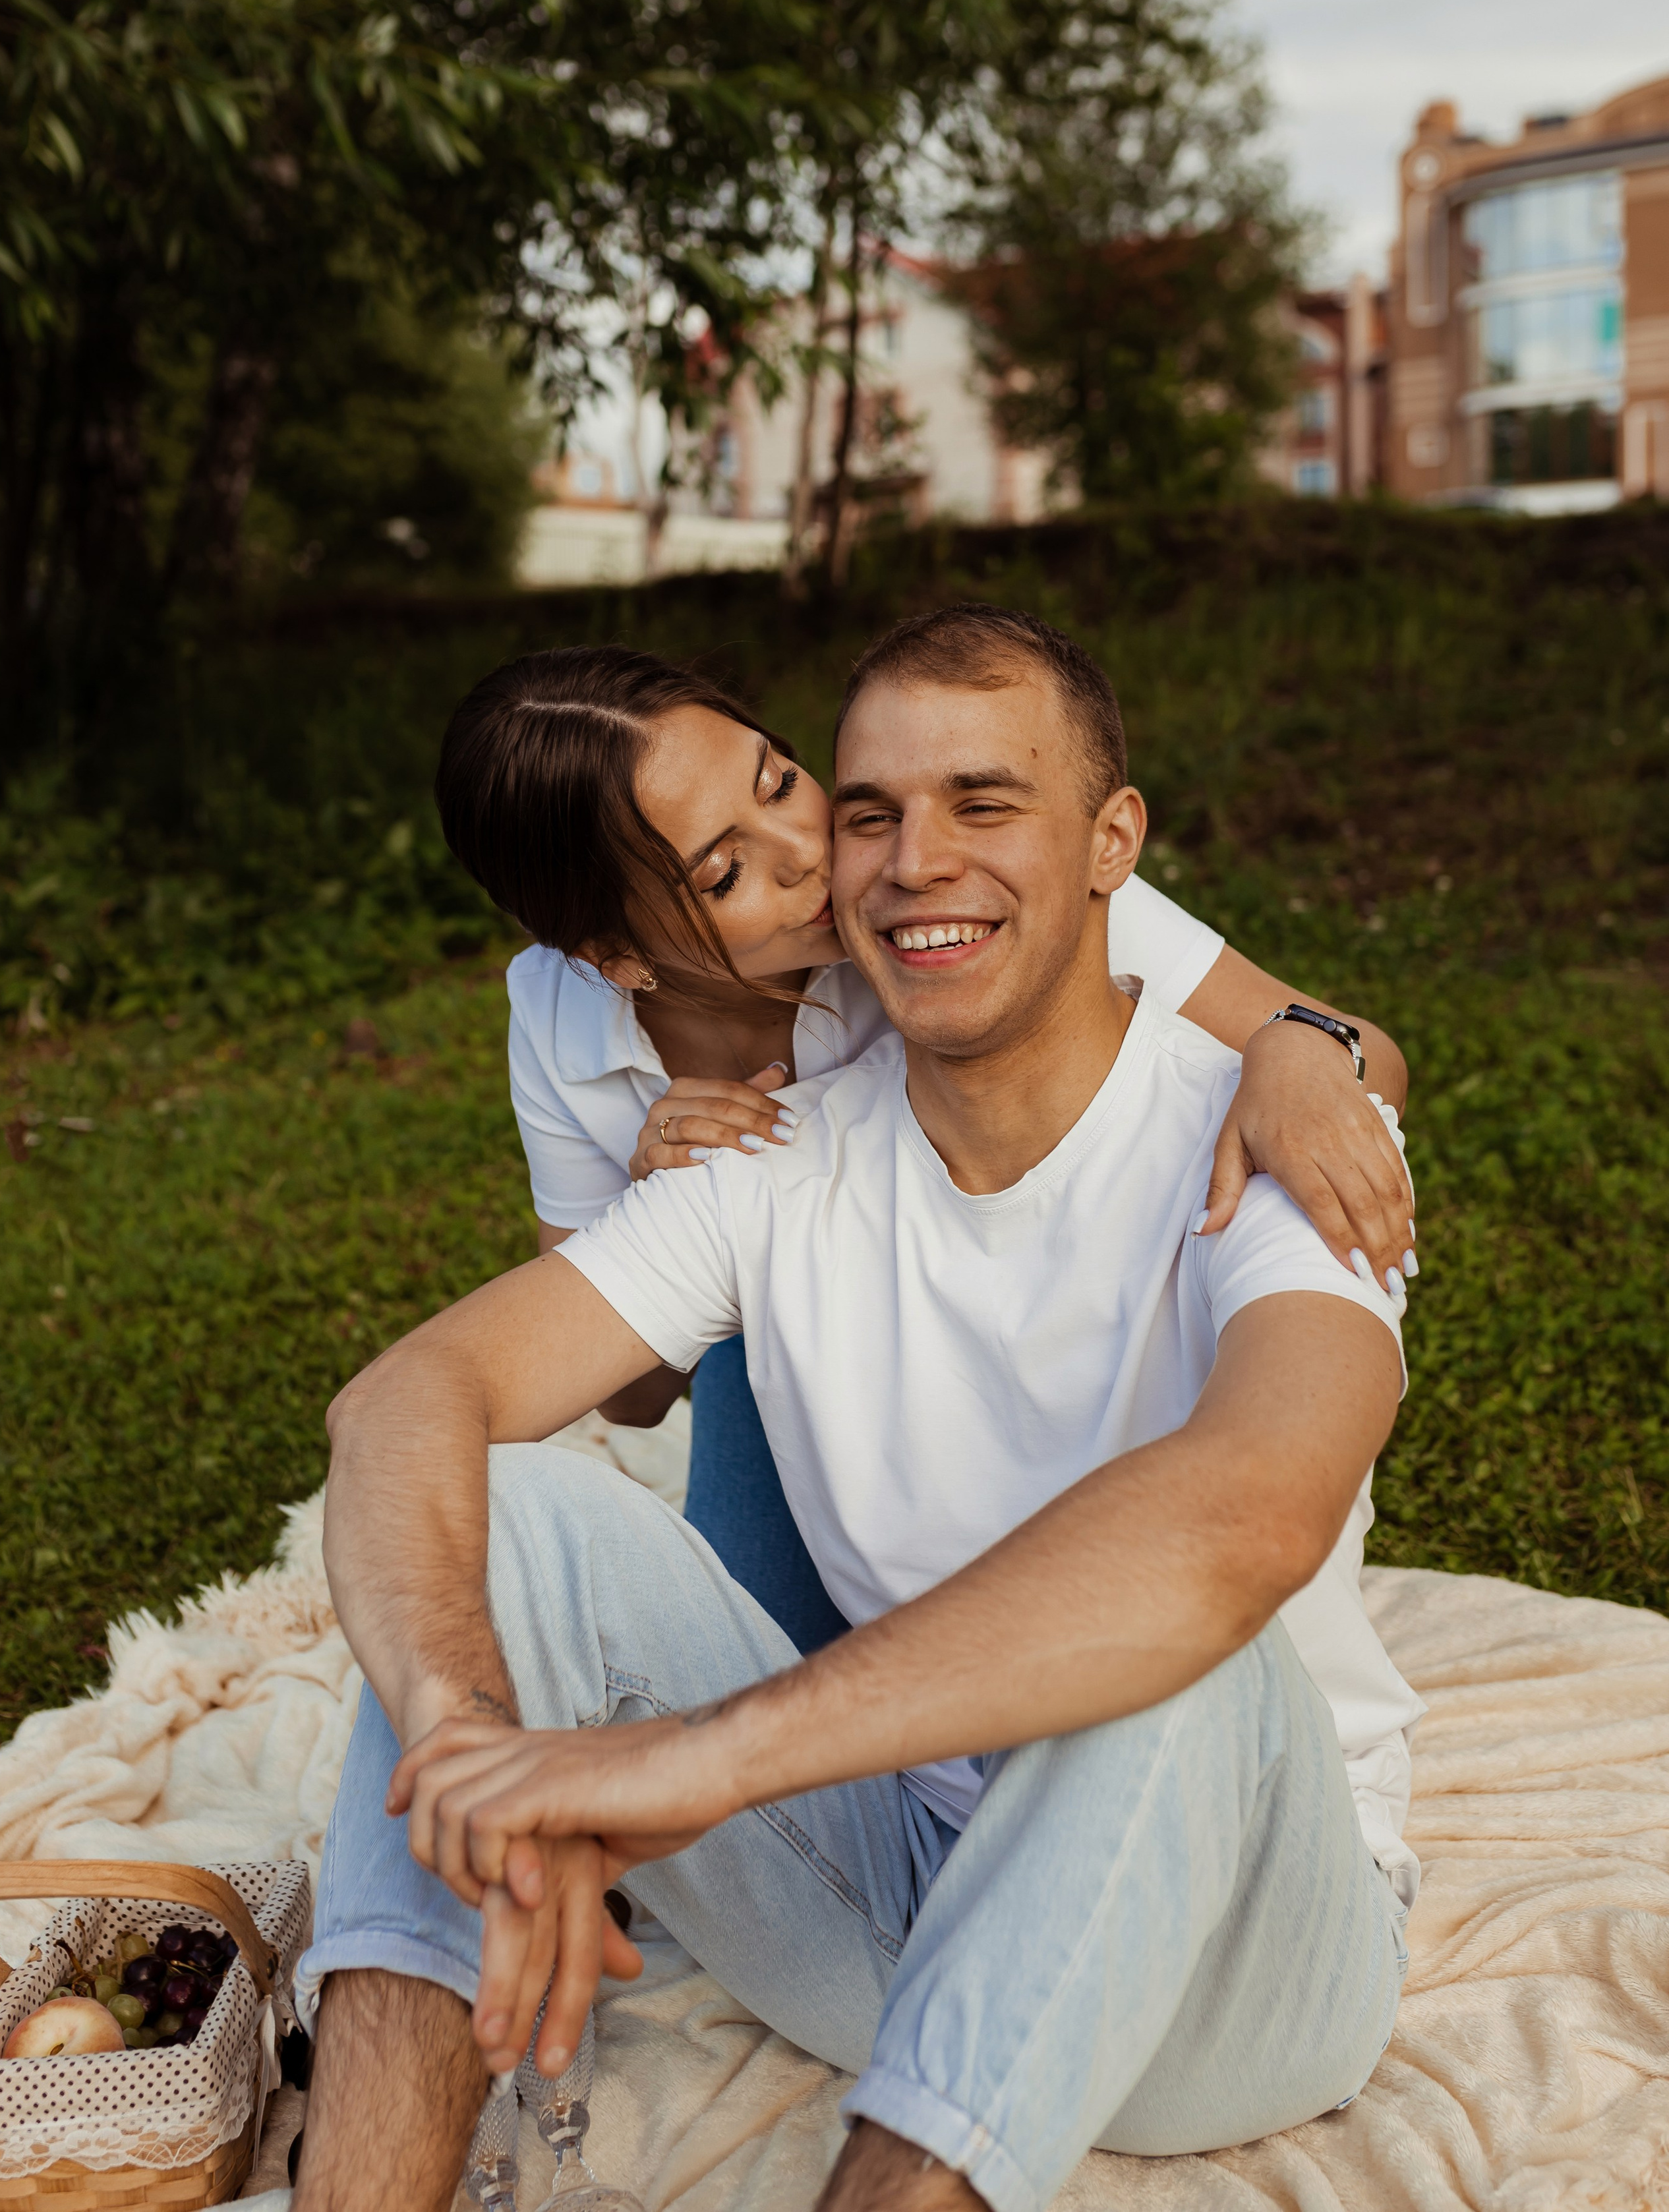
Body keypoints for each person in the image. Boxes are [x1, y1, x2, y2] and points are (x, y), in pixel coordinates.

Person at [297, 605, 1420, 2212]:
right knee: (507, 1511)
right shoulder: (762, 1151)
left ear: (1110, 845)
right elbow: (409, 1395)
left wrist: (699, 1759)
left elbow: (1246, 1515)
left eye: (981, 803)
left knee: (1176, 1620)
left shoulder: (1273, 1144)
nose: (898, 863)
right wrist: (464, 1734)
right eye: (872, 811)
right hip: (887, 1899)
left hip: (1239, 1972)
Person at [435, 644, 1417, 1655]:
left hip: (1029, 1290)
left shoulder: (948, 900)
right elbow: (627, 1396)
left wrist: (1293, 1051)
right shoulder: (561, 1021)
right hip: (795, 1350)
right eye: (726, 871)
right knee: (745, 1659)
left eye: (778, 781)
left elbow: (1367, 1060)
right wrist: (651, 1207)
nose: (809, 850)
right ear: (618, 958)